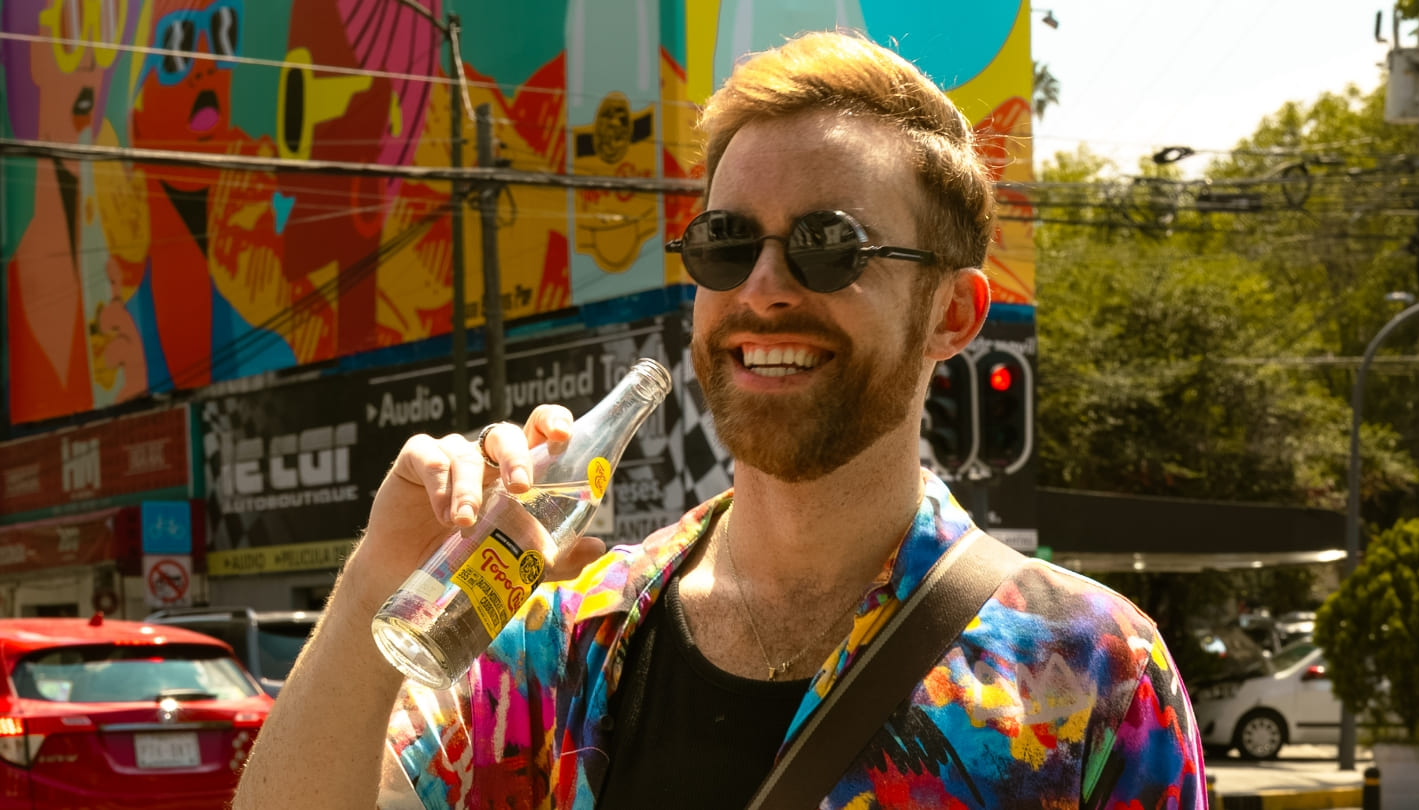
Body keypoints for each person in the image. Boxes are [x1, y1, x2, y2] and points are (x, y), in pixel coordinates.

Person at [234, 31, 1206, 810]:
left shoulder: (1089, 672)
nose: (766, 289)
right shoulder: (572, 638)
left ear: (952, 314)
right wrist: (378, 576)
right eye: (727, 242)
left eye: (832, 247)